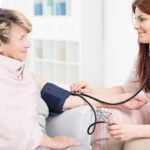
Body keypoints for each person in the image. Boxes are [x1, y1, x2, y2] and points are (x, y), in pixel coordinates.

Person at [0, 6, 147, 150]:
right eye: (21, 38)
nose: (29, 44)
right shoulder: (26, 77)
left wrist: (114, 101)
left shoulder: (29, 76)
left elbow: (63, 99)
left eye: (142, 19)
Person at [70, 0, 150, 149]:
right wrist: (91, 92)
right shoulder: (144, 56)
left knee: (135, 145)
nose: (135, 26)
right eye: (135, 19)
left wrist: (134, 131)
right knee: (111, 140)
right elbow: (127, 90)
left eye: (142, 19)